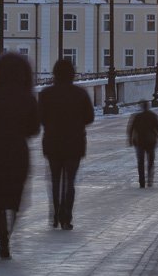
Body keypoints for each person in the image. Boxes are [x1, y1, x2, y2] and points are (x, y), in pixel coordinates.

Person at [0, 52, 40, 260]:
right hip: (18, 150)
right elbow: (34, 128)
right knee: (14, 196)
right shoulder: (27, 97)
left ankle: (2, 240)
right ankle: (9, 232)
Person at [38, 58, 94, 231]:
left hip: (53, 144)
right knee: (70, 181)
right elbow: (89, 118)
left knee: (55, 180)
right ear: (72, 74)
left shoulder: (46, 94)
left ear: (55, 74)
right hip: (74, 144)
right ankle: (66, 218)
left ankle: (54, 215)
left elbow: (40, 118)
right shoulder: (80, 93)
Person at [127, 101, 158, 188]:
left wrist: (130, 140)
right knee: (150, 161)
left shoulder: (137, 116)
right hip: (151, 142)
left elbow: (131, 129)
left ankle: (141, 182)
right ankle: (150, 179)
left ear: (142, 107)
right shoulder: (153, 116)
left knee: (140, 162)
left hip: (139, 142)